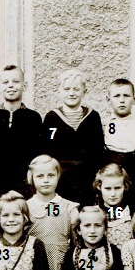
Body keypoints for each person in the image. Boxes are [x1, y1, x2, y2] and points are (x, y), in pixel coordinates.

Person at [40, 69, 104, 205]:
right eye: (67, 89)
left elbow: (98, 149)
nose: (71, 93)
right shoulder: (52, 118)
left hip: (87, 178)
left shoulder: (93, 117)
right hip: (60, 178)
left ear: (84, 91)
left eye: (76, 89)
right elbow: (47, 148)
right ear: (59, 91)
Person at [0, 65, 42, 197]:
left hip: (25, 182)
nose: (11, 86)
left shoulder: (33, 117)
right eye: (5, 82)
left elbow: (37, 151)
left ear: (24, 86)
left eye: (15, 81)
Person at [26, 154, 79, 270]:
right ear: (31, 178)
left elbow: (77, 241)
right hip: (35, 261)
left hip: (60, 260)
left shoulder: (69, 207)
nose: (46, 180)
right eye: (40, 176)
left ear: (58, 176)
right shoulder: (25, 207)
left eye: (51, 175)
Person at [102, 78, 135, 208]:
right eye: (116, 96)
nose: (122, 100)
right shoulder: (103, 125)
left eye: (126, 96)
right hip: (110, 190)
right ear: (108, 100)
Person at [94, 163, 134, 248]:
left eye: (117, 188)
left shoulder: (131, 213)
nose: (113, 194)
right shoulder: (94, 213)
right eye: (108, 188)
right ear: (99, 187)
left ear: (125, 186)